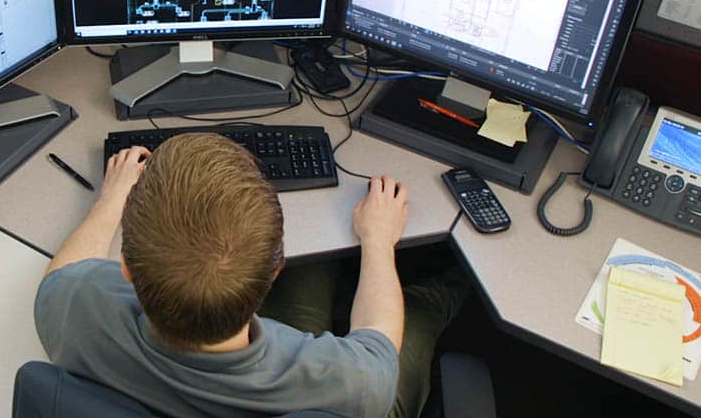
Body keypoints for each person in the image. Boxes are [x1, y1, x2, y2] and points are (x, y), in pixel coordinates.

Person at [35, 133, 466, 417]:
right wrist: (378, 239)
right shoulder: (354, 381)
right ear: (275, 270)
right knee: (423, 309)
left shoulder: (73, 308)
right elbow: (378, 342)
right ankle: (448, 290)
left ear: (126, 268)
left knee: (320, 274)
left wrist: (111, 200)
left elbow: (63, 272)